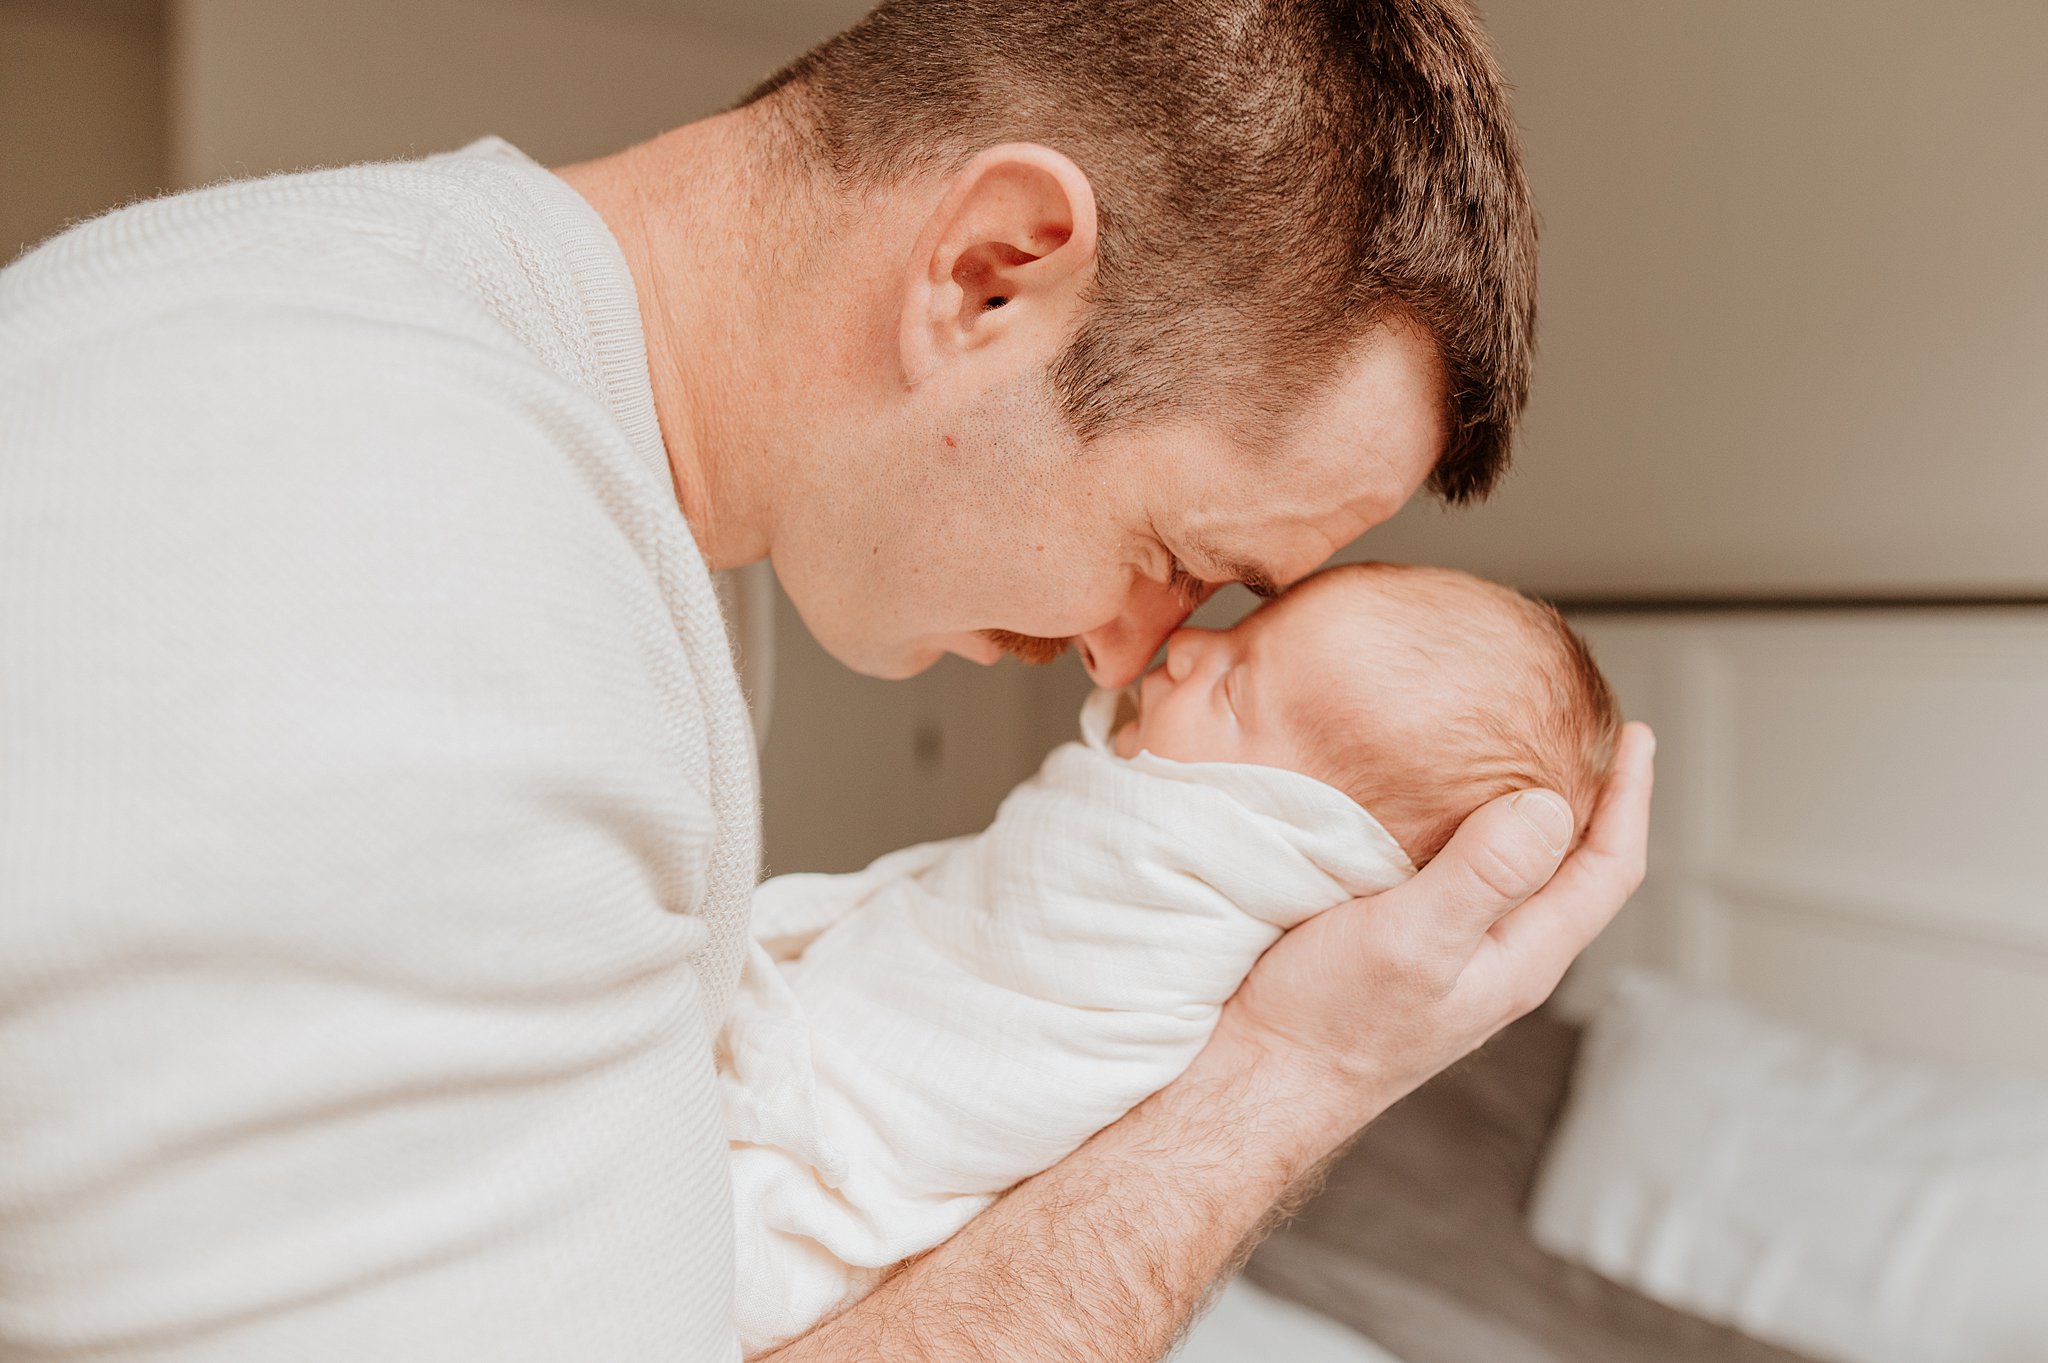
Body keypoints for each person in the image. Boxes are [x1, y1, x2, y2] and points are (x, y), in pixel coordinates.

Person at [0, 0, 1653, 1358]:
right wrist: (1293, 1078)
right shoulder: (437, 587)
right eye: (1171, 549)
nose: (1138, 650)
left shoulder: (413, 353)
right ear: (990, 270)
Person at [724, 562, 1621, 1353]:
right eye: (1236, 636)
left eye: (1233, 691)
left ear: (1304, 835)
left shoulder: (1193, 883)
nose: (1187, 647)